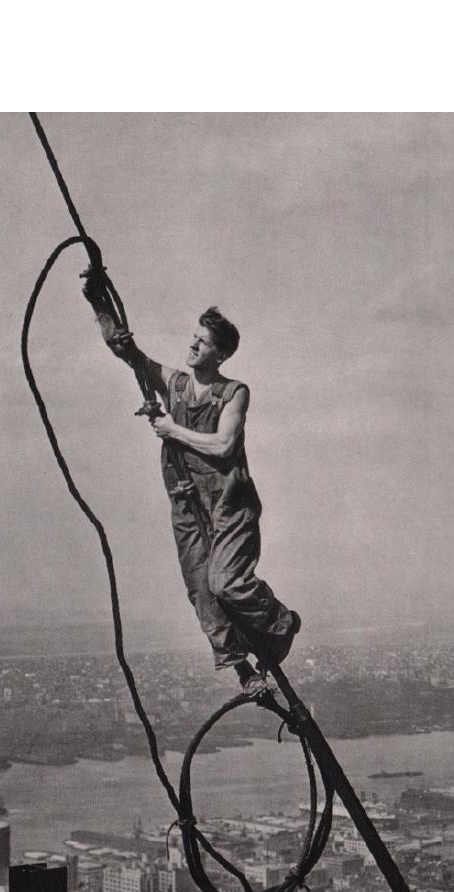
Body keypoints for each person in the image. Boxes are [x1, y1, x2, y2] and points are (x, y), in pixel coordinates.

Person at [83, 276, 300, 696]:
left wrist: (171, 430)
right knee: (201, 590)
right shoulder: (176, 385)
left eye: (204, 341)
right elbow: (127, 353)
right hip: (185, 500)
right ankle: (244, 673)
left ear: (222, 353)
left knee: (227, 584)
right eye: (194, 337)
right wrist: (98, 303)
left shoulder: (233, 393)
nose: (194, 345)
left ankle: (280, 623)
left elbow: (224, 445)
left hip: (229, 504)